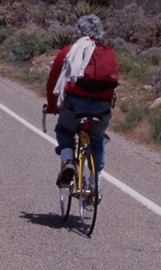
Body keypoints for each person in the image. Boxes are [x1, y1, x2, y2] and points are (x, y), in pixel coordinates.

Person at [45, 13, 118, 187]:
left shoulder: (70, 50)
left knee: (64, 130)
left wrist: (53, 105)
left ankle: (69, 161)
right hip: (102, 105)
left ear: (78, 30)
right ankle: (95, 181)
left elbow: (53, 80)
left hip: (74, 103)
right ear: (100, 32)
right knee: (97, 137)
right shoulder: (106, 52)